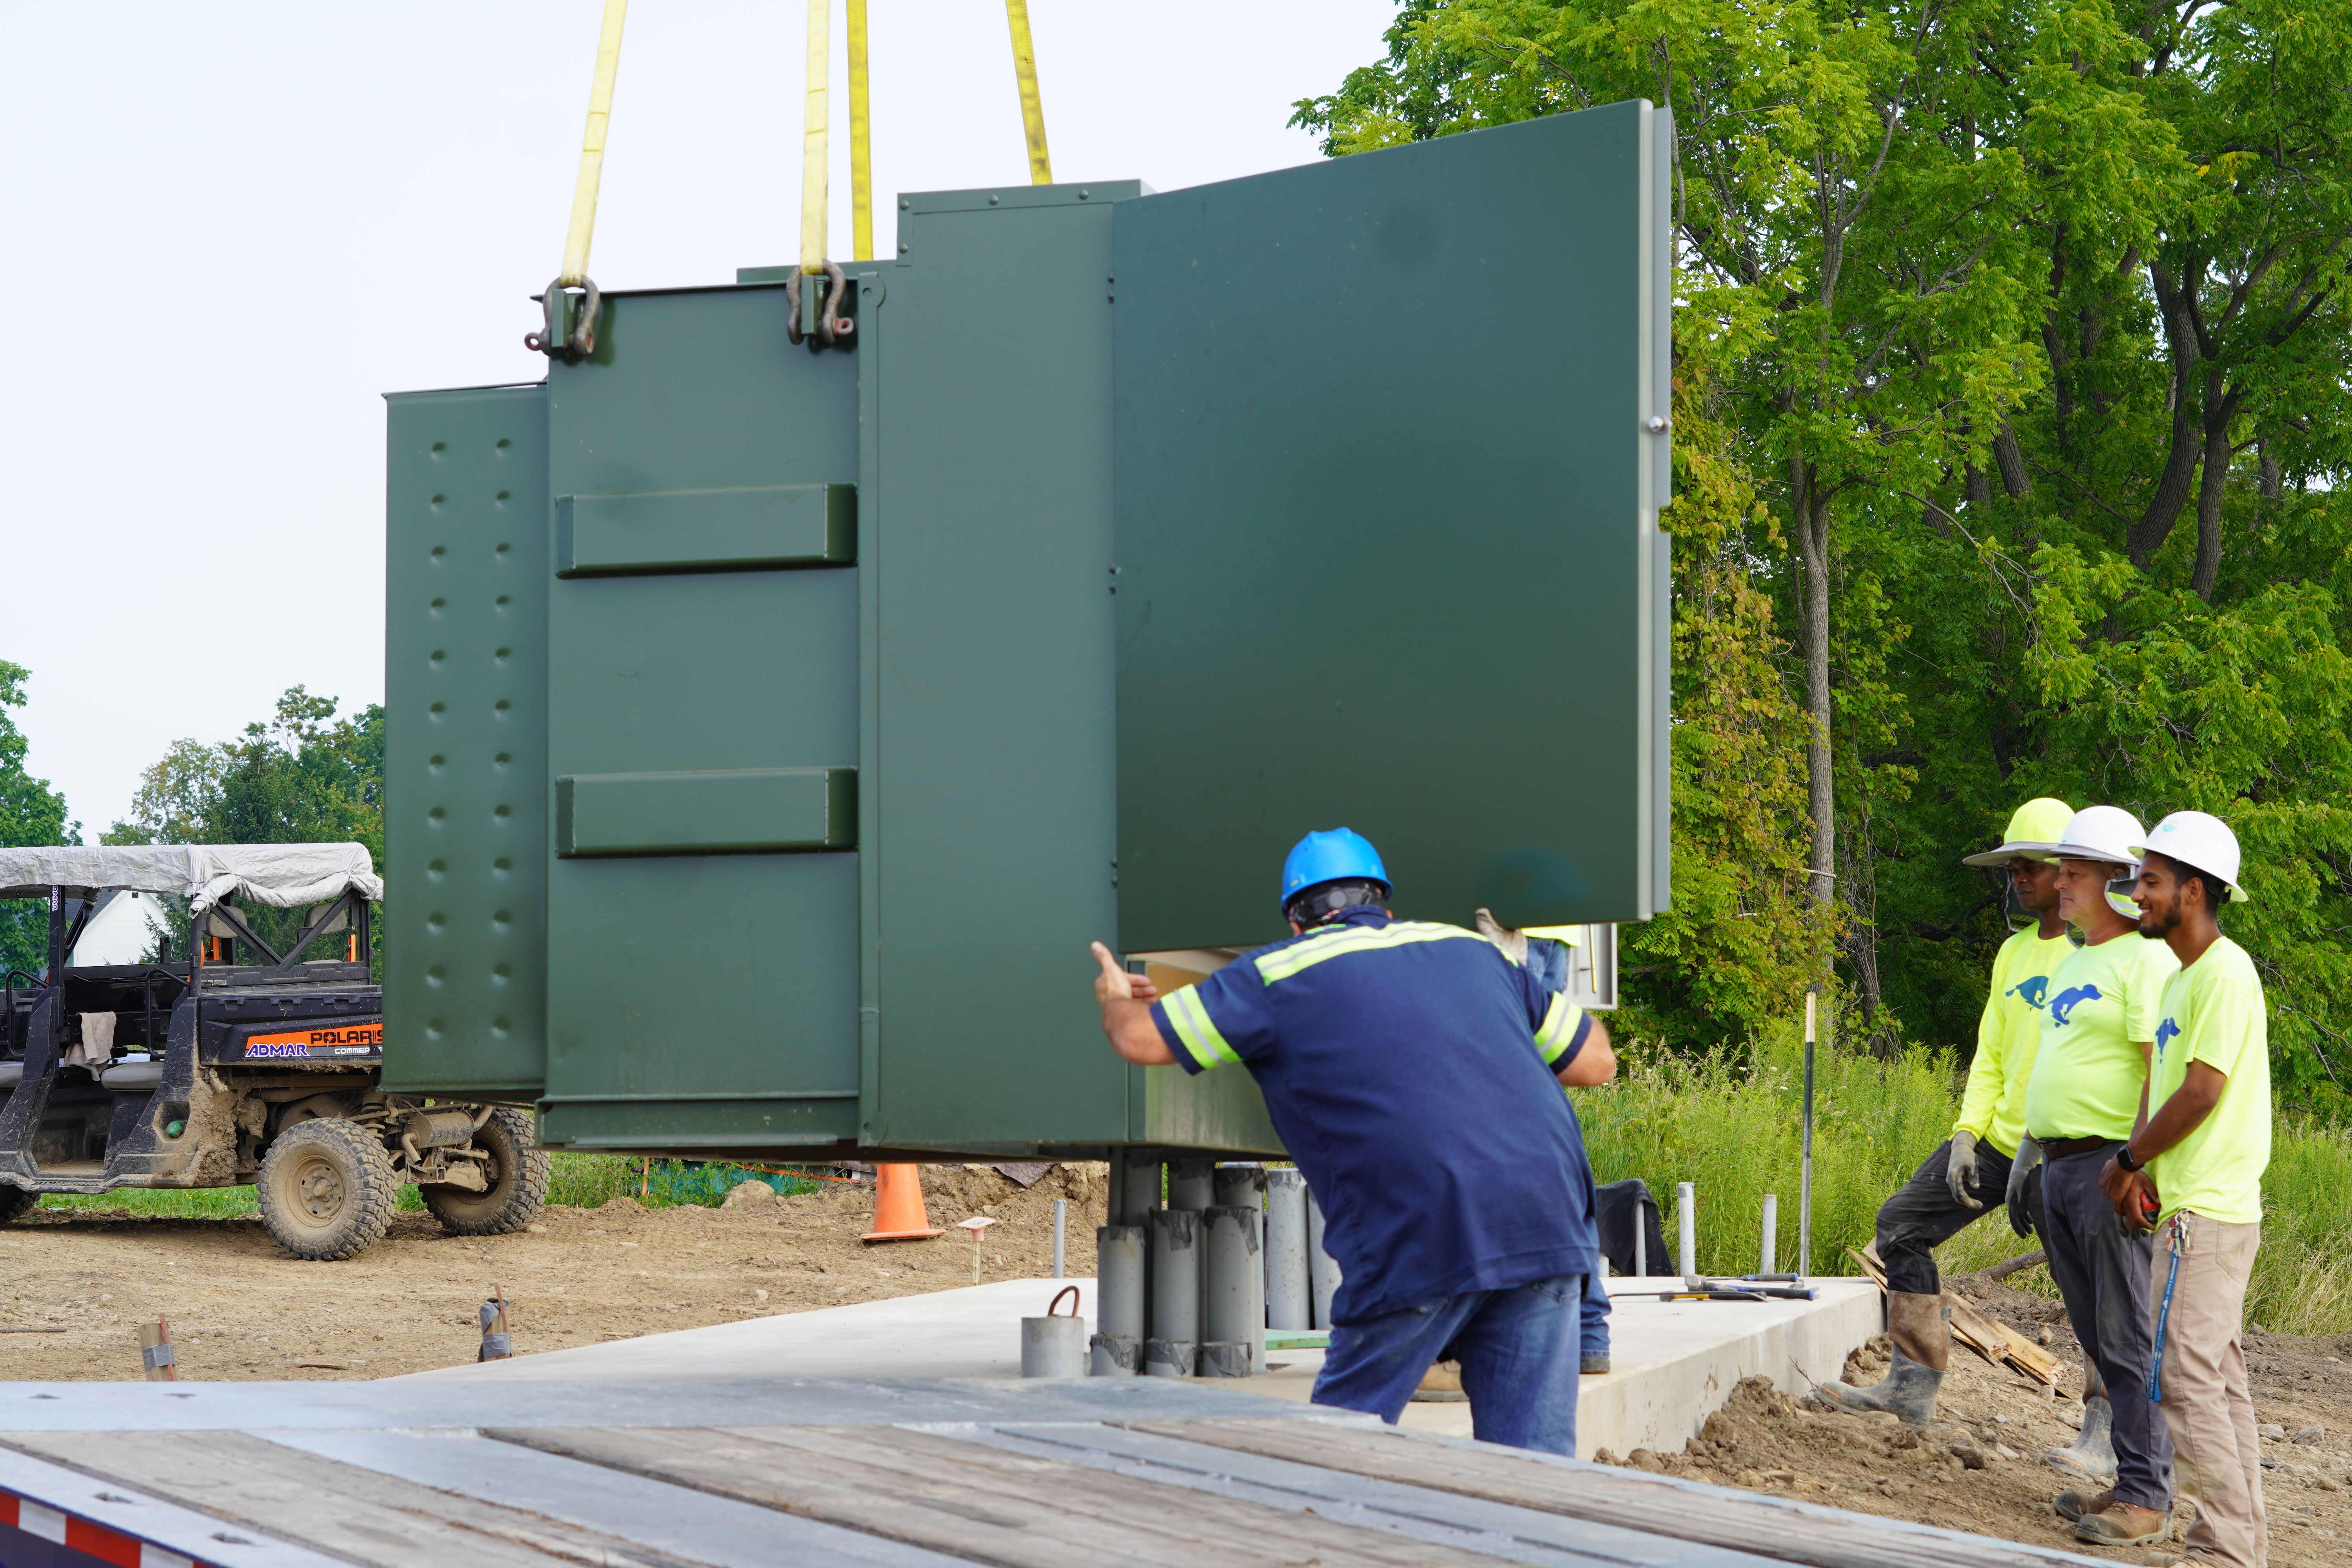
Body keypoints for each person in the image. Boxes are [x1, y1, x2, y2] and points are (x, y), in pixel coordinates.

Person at [1089, 827, 1615, 1454]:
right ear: (1384, 905)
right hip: (1547, 1217)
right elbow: (1596, 1063)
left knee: (1332, 1452)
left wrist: (1116, 999)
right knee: (1532, 1472)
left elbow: (1140, 1041)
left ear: (1296, 920)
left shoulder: (1276, 973)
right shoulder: (1468, 949)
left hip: (1419, 1227)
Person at [1817, 798, 2075, 1428]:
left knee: (2090, 1291)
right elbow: (1991, 1054)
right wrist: (1966, 1135)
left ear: (2065, 871)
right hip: (1996, 1143)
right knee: (1901, 1226)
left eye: (2029, 866)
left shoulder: (2097, 953)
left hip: (2059, 1151)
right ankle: (1912, 1383)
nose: (2016, 876)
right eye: (2011, 866)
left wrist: (2039, 1147)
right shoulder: (2013, 953)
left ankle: (2106, 1431)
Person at [2100, 812, 2269, 1568]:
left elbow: (2202, 1092)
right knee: (2218, 1380)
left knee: (2179, 1375)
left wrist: (2131, 1157)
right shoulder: (2181, 977)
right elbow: (2159, 1081)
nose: (2138, 892)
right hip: (2189, 1204)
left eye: (2153, 881)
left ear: (2193, 892)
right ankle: (2241, 1544)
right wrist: (2134, 1166)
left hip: (2207, 1213)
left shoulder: (2225, 974)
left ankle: (2226, 1550)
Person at [2018, 804, 2181, 1549]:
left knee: (2125, 1332)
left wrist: (2138, 1168)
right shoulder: (2081, 960)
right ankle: (2129, 1476)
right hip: (2061, 1164)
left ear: (2118, 881)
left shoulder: (2145, 962)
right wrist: (2030, 1150)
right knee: (2095, 1330)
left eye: (2076, 874)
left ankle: (2148, 1493)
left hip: (2106, 1164)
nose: (2061, 886)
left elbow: (2159, 1070)